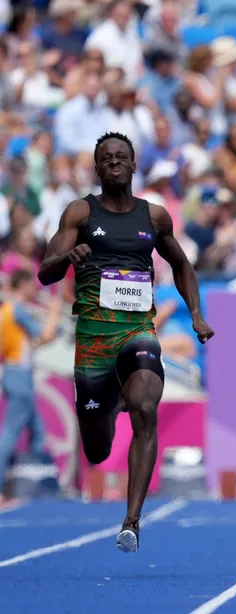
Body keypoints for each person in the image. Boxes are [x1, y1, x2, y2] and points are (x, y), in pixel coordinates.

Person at [37, 132, 214, 552]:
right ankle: (109, 402)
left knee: (147, 406)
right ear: (97, 169)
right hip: (94, 340)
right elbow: (45, 270)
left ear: (134, 166)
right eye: (106, 158)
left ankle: (132, 520)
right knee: (97, 449)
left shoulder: (154, 217)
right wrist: (68, 257)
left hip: (138, 331)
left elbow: (183, 265)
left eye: (122, 157)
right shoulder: (80, 212)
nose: (114, 162)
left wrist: (197, 316)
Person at [0, 269, 55, 494]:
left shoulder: (6, 309)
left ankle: (35, 483)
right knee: (11, 431)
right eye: (31, 284)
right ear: (22, 285)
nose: (35, 289)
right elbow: (43, 336)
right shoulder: (17, 310)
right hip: (19, 374)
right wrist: (54, 311)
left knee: (37, 430)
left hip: (15, 373)